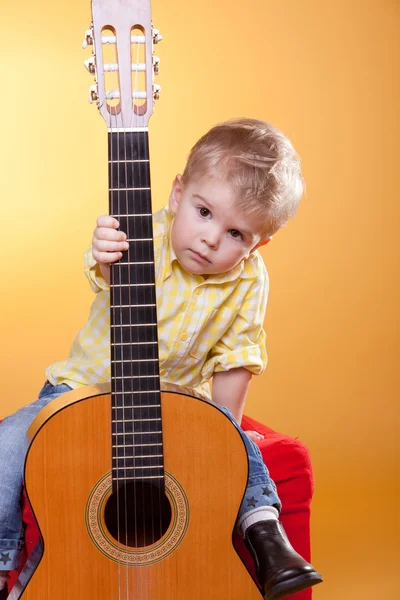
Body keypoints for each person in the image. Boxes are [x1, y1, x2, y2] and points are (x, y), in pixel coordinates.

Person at [0, 118, 322, 600]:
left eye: (237, 233)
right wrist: (107, 255)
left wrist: (227, 431)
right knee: (7, 441)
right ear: (177, 194)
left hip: (177, 404)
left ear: (260, 244)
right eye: (204, 212)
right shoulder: (141, 232)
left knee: (243, 449)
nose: (211, 238)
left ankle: (267, 538)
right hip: (83, 390)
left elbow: (236, 356)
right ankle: (5, 559)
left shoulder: (250, 278)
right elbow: (109, 276)